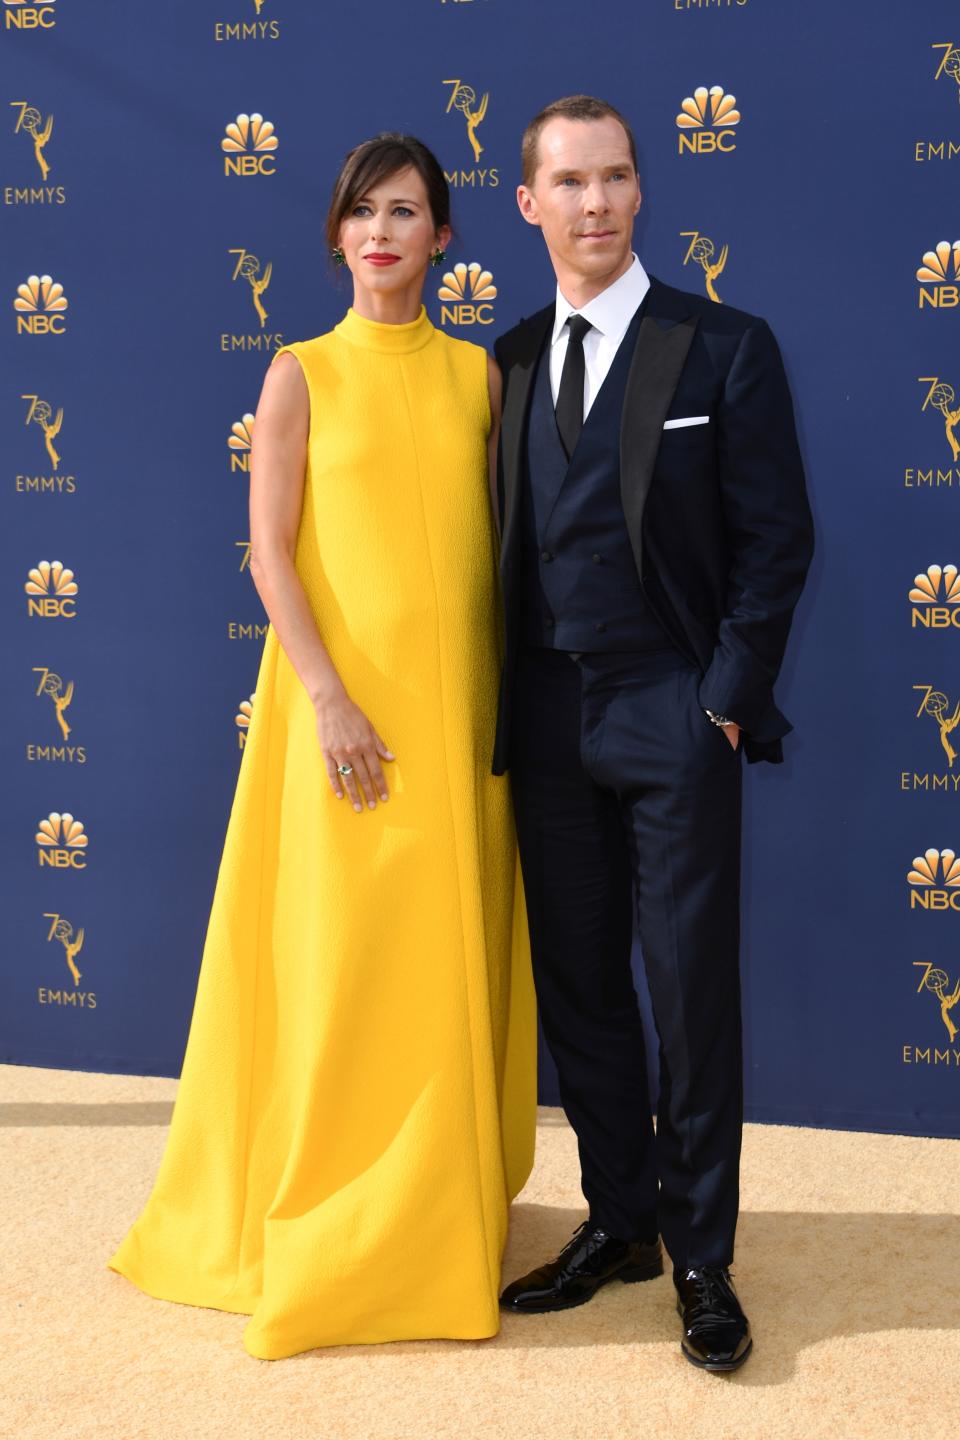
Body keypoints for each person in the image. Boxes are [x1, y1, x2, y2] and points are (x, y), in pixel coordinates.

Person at [108, 133, 536, 1360]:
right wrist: (330, 697)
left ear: (446, 239)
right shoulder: (297, 372)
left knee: (438, 957)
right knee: (346, 967)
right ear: (338, 235)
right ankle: (337, 1218)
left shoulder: (479, 379)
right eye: (364, 212)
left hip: (458, 725)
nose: (385, 232)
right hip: (339, 719)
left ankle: (435, 1215)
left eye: (409, 212)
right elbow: (268, 549)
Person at [493, 96, 813, 1372]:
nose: (595, 202)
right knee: (581, 989)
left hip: (673, 707)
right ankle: (620, 1221)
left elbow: (775, 541)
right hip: (546, 712)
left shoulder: (722, 345)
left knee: (687, 993)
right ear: (529, 204)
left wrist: (724, 699)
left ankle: (705, 1258)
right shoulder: (509, 358)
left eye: (616, 177)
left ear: (642, 191)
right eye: (569, 182)